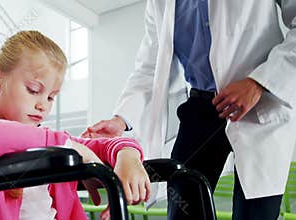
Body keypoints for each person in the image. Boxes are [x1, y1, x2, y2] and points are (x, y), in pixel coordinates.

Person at [82, 0, 296, 219]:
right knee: (183, 208)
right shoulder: (158, 4)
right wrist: (121, 120)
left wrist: (259, 82)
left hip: (259, 104)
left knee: (256, 213)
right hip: (200, 110)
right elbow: (149, 68)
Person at [0, 30, 151, 220]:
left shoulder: (54, 141)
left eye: (51, 97)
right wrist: (67, 145)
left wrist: (128, 155)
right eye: (33, 90)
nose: (42, 105)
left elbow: (107, 145)